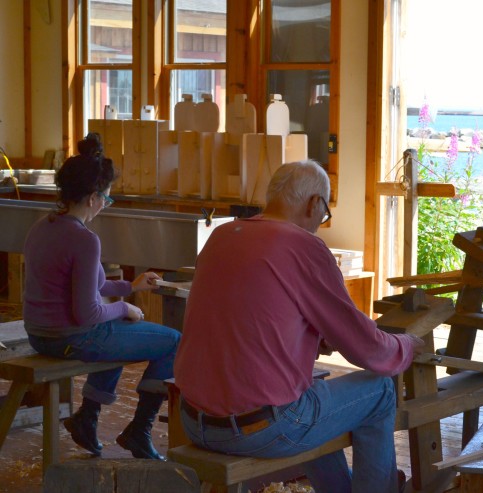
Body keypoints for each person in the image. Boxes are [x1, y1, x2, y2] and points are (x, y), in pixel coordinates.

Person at [175, 160, 425, 493]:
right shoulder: (303, 246)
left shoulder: (221, 235)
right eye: (325, 214)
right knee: (378, 390)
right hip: (258, 430)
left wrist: (311, 334)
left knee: (312, 396)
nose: (321, 223)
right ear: (314, 204)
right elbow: (366, 348)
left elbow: (249, 315)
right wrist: (406, 345)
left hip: (193, 420)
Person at [22, 133, 181, 460]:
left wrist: (131, 287)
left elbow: (86, 289)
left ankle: (87, 419)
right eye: (107, 200)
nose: (105, 207)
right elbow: (88, 314)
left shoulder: (43, 226)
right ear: (94, 197)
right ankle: (139, 430)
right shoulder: (84, 239)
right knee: (174, 341)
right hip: (70, 337)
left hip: (41, 335)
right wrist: (125, 307)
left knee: (117, 332)